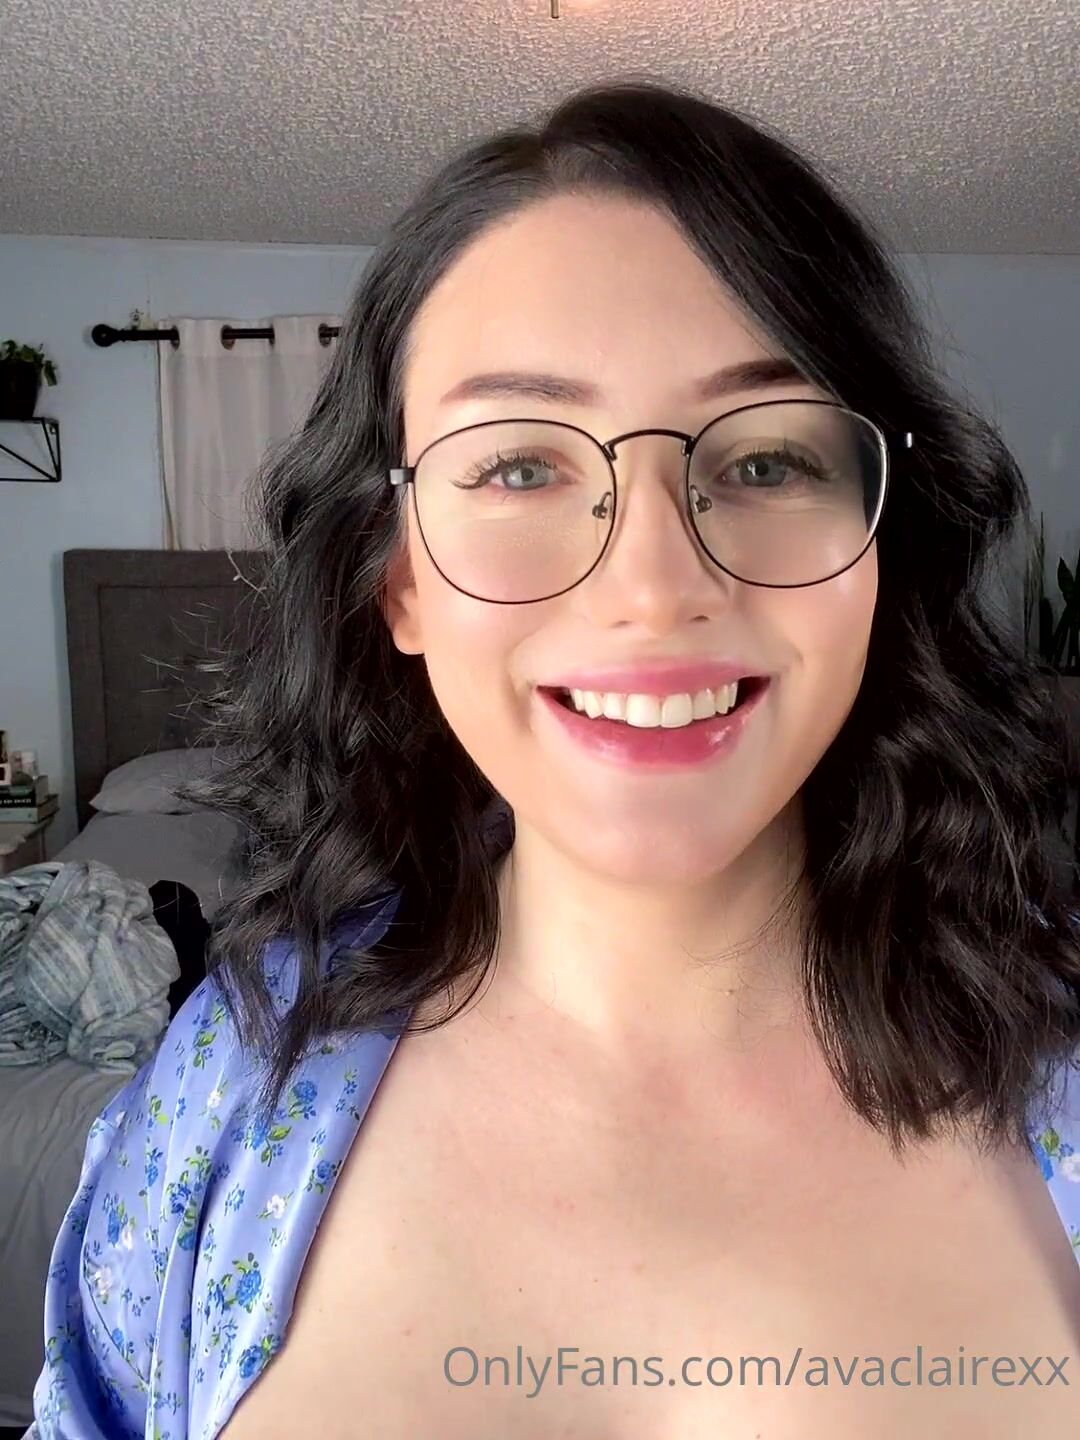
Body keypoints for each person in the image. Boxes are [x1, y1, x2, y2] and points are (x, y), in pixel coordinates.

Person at [31, 78, 1080, 1439]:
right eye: (519, 467)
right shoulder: (230, 1086)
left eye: (767, 462)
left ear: (882, 546)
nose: (654, 587)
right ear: (400, 580)